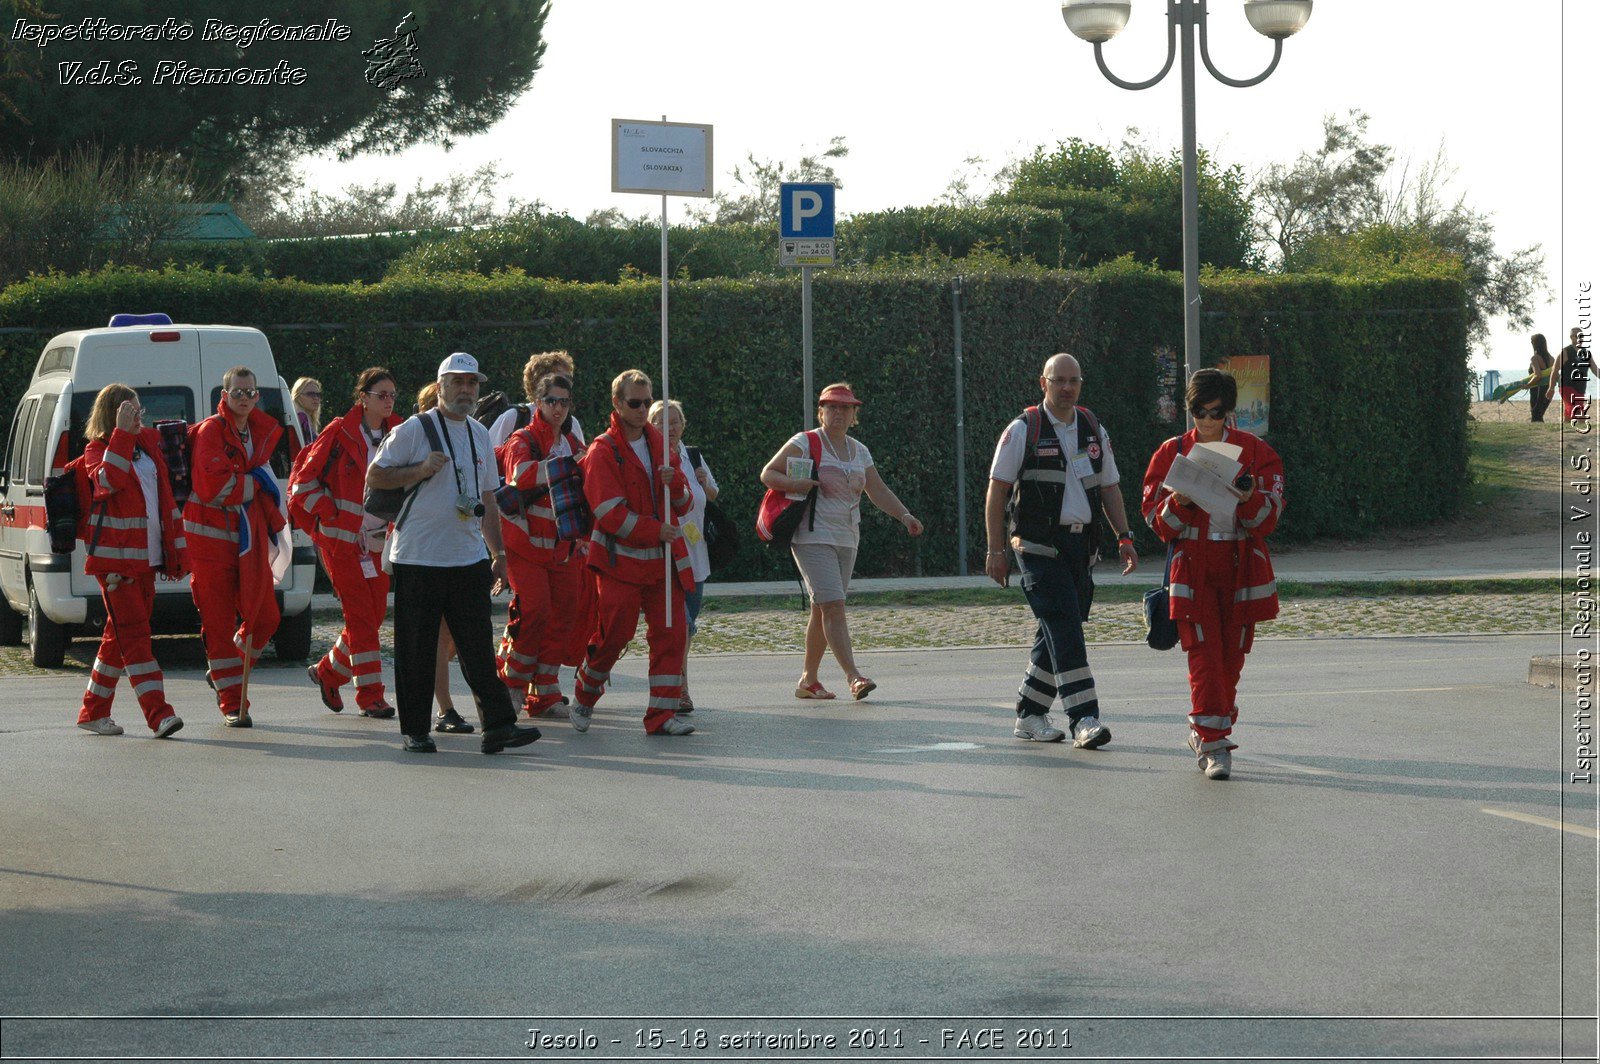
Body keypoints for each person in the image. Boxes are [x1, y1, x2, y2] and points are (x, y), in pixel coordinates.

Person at [366, 352, 540, 755]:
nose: (466, 390)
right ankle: (415, 729)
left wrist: (498, 554)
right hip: (419, 557)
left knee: (477, 646)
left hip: (467, 557)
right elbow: (376, 475)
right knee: (416, 649)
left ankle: (498, 726)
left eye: (472, 383)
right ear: (440, 386)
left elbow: (486, 498)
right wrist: (420, 469)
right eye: (457, 382)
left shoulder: (480, 433)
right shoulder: (415, 428)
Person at [983, 353, 1138, 749]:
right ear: (1043, 383)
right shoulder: (1023, 430)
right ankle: (1084, 718)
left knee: (1055, 628)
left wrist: (1125, 536)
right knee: (1064, 625)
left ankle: (1029, 714)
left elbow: (1109, 487)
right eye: (1059, 381)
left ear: (1080, 384)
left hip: (1079, 548)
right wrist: (995, 550)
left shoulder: (1091, 427)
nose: (1066, 388)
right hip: (1036, 547)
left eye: (1073, 381)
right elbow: (997, 491)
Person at [1140, 368, 1284, 781]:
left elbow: (1267, 519)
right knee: (1204, 658)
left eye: (1215, 413)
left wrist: (1249, 495)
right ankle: (1214, 745)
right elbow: (1157, 523)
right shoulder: (1170, 453)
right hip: (1194, 569)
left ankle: (1209, 729)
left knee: (1230, 661)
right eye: (1198, 411)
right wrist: (1180, 501)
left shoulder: (1257, 452)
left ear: (1229, 412)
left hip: (1242, 569)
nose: (1206, 421)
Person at [760, 382, 923, 701]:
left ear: (853, 415)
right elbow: (769, 474)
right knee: (834, 605)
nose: (838, 412)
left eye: (845, 408)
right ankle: (854, 676)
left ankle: (808, 680)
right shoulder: (805, 443)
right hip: (811, 536)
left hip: (847, 537)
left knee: (822, 609)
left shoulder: (859, 450)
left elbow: (877, 490)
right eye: (831, 407)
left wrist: (905, 516)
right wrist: (797, 483)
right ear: (821, 411)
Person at [571, 369, 695, 736]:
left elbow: (686, 503)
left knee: (672, 634)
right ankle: (585, 692)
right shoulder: (602, 451)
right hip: (618, 563)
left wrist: (675, 488)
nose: (642, 410)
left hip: (663, 562)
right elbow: (610, 514)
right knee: (614, 635)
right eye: (634, 403)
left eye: (646, 402)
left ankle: (661, 716)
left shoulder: (662, 445)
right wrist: (657, 529)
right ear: (617, 403)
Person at [74, 384, 188, 739]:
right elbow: (110, 481)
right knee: (136, 638)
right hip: (115, 567)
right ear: (114, 415)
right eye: (131, 412)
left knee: (117, 638)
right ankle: (159, 715)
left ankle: (93, 711)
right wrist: (121, 433)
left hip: (146, 563)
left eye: (140, 412)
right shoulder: (98, 451)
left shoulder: (145, 447)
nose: (140, 417)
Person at [291, 367, 403, 721]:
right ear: (363, 398)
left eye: (392, 396)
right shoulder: (338, 431)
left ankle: (328, 673)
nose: (388, 401)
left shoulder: (401, 433)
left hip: (378, 545)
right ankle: (371, 696)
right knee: (361, 620)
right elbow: (301, 485)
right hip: (341, 545)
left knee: (371, 617)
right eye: (381, 395)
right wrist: (333, 517)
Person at [185, 366, 287, 727]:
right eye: (237, 392)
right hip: (209, 543)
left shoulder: (255, 431)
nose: (244, 398)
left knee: (267, 616)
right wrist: (256, 484)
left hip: (247, 540)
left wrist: (251, 484)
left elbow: (236, 484)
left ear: (257, 396)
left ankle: (226, 672)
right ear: (224, 396)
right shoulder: (213, 430)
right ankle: (233, 702)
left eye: (250, 392)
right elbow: (216, 487)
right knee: (218, 623)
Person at [497, 373, 587, 719]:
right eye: (552, 401)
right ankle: (512, 683)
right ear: (538, 403)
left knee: (564, 613)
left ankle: (545, 690)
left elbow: (590, 476)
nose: (558, 408)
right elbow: (519, 473)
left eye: (564, 402)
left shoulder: (572, 442)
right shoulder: (524, 437)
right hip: (525, 545)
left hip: (562, 548)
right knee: (534, 610)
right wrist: (567, 467)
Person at [650, 398, 718, 712]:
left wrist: (705, 482)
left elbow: (713, 494)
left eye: (675, 421)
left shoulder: (692, 455)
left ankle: (678, 685)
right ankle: (680, 689)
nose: (670, 427)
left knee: (688, 628)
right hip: (666, 554)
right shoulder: (650, 458)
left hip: (697, 553)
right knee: (679, 625)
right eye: (662, 421)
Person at [414, 382, 473, 735]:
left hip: (463, 547)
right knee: (436, 636)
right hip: (426, 553)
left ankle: (440, 695)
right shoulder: (415, 438)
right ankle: (443, 707)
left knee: (450, 637)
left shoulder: (469, 438)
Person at [488, 350, 585, 450]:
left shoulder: (572, 423)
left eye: (569, 380)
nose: (566, 384)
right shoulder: (514, 417)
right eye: (560, 379)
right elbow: (489, 457)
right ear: (539, 382)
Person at [1549, 327, 1592, 423]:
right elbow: (1555, 370)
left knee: (1569, 415)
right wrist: (1551, 388)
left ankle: (1567, 432)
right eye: (1577, 336)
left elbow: (1595, 370)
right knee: (1579, 411)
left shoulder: (1586, 353)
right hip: (1567, 386)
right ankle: (1583, 435)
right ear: (1571, 337)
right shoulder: (1565, 352)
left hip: (1580, 388)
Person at [1528, 334, 1555, 423]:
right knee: (1540, 415)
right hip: (1548, 390)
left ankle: (1539, 436)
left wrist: (1527, 385)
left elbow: (1538, 375)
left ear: (1535, 344)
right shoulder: (1551, 359)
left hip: (1537, 390)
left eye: (1532, 342)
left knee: (1536, 416)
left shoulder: (1534, 358)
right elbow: (1555, 375)